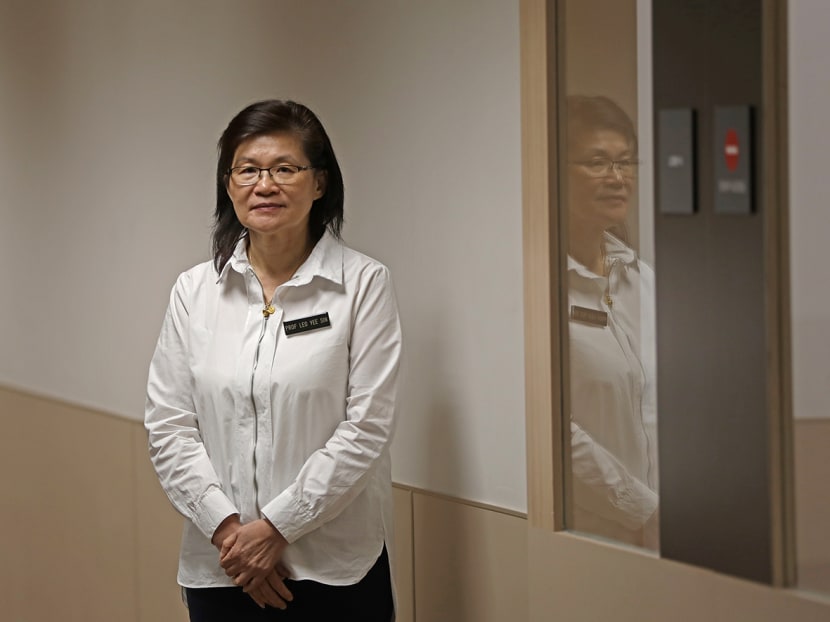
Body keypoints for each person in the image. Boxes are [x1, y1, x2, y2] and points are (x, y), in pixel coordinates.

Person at [145, 99, 402, 620]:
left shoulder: (362, 286)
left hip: (333, 567)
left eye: (285, 168)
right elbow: (169, 425)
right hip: (226, 566)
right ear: (228, 183)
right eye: (248, 170)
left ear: (320, 182)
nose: (265, 185)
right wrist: (231, 534)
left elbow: (367, 427)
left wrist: (277, 528)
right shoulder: (195, 291)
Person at [565, 95, 659, 550]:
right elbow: (553, 428)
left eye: (626, 162)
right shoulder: (539, 290)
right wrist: (638, 507)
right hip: (590, 533)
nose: (617, 178)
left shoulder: (645, 282)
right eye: (598, 162)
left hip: (671, 527)